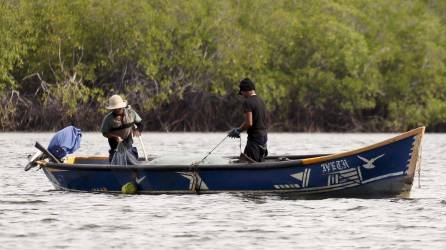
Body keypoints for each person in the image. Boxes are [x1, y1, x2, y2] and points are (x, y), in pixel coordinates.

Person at [228, 78, 268, 162]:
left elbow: (249, 123)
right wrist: (239, 128)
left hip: (254, 139)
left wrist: (239, 130)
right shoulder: (261, 101)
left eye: (242, 92)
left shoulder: (248, 102)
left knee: (249, 163)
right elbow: (254, 120)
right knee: (256, 161)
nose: (242, 95)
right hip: (263, 137)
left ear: (245, 90)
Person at [100, 94, 144, 162]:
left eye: (117, 108)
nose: (115, 110)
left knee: (131, 158)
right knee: (116, 160)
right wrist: (115, 137)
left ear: (121, 107)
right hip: (115, 147)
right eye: (114, 108)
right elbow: (104, 133)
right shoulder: (108, 119)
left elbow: (140, 124)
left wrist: (138, 130)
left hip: (128, 145)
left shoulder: (131, 114)